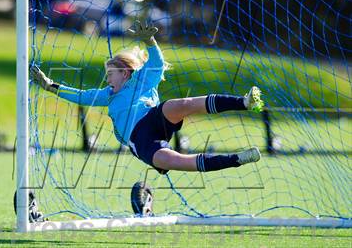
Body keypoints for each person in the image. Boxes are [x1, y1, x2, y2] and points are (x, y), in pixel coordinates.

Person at [31, 20, 264, 175]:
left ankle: (244, 102)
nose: (107, 79)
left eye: (110, 74)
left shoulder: (141, 81)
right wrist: (52, 86)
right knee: (173, 161)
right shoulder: (107, 96)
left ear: (125, 73)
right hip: (140, 140)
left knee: (178, 105)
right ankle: (237, 159)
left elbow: (157, 64)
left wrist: (150, 42)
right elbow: (81, 96)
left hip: (153, 118)